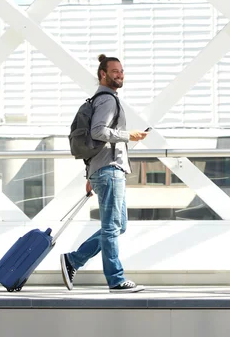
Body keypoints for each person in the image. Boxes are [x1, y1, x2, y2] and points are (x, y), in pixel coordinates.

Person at [60, 54, 149, 293]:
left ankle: (74, 260)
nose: (120, 74)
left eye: (121, 71)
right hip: (109, 171)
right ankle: (116, 280)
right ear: (103, 74)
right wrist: (128, 135)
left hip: (105, 170)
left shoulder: (102, 99)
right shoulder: (108, 100)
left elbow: (93, 139)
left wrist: (91, 175)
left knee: (118, 226)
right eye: (115, 71)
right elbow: (99, 132)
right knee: (111, 227)